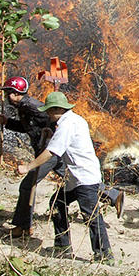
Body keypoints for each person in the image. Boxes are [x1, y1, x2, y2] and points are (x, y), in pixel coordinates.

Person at [0, 77, 124, 238]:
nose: (6, 96)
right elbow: (28, 127)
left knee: (27, 185)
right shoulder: (23, 107)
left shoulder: (32, 106)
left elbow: (52, 120)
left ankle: (22, 227)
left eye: (8, 93)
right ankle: (112, 195)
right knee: (76, 178)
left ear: (16, 93)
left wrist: (50, 136)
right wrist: (8, 122)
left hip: (48, 152)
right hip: (52, 151)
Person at [16, 92, 112, 262]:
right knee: (57, 203)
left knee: (91, 216)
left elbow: (51, 152)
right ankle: (62, 246)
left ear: (57, 110)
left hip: (84, 177)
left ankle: (104, 255)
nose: (47, 115)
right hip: (74, 177)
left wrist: (28, 167)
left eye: (49, 111)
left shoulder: (67, 125)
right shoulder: (74, 120)